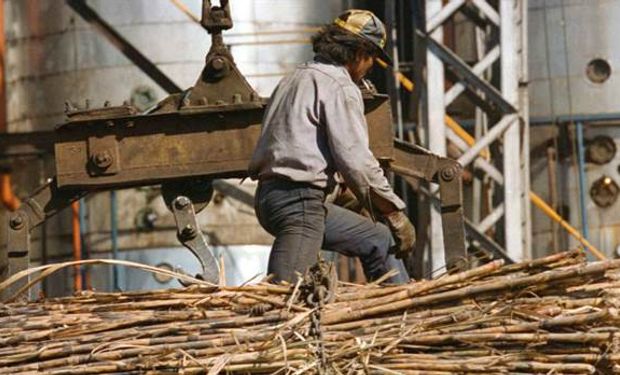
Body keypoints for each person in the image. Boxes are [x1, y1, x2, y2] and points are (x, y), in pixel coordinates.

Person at [248, 9, 416, 284]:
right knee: (286, 296)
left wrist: (350, 197)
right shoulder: (339, 86)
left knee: (378, 239)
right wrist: (394, 213)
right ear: (360, 52)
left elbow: (301, 147)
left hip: (273, 198)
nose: (371, 66)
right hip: (299, 204)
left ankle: (400, 313)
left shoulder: (294, 78)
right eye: (372, 58)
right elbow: (357, 162)